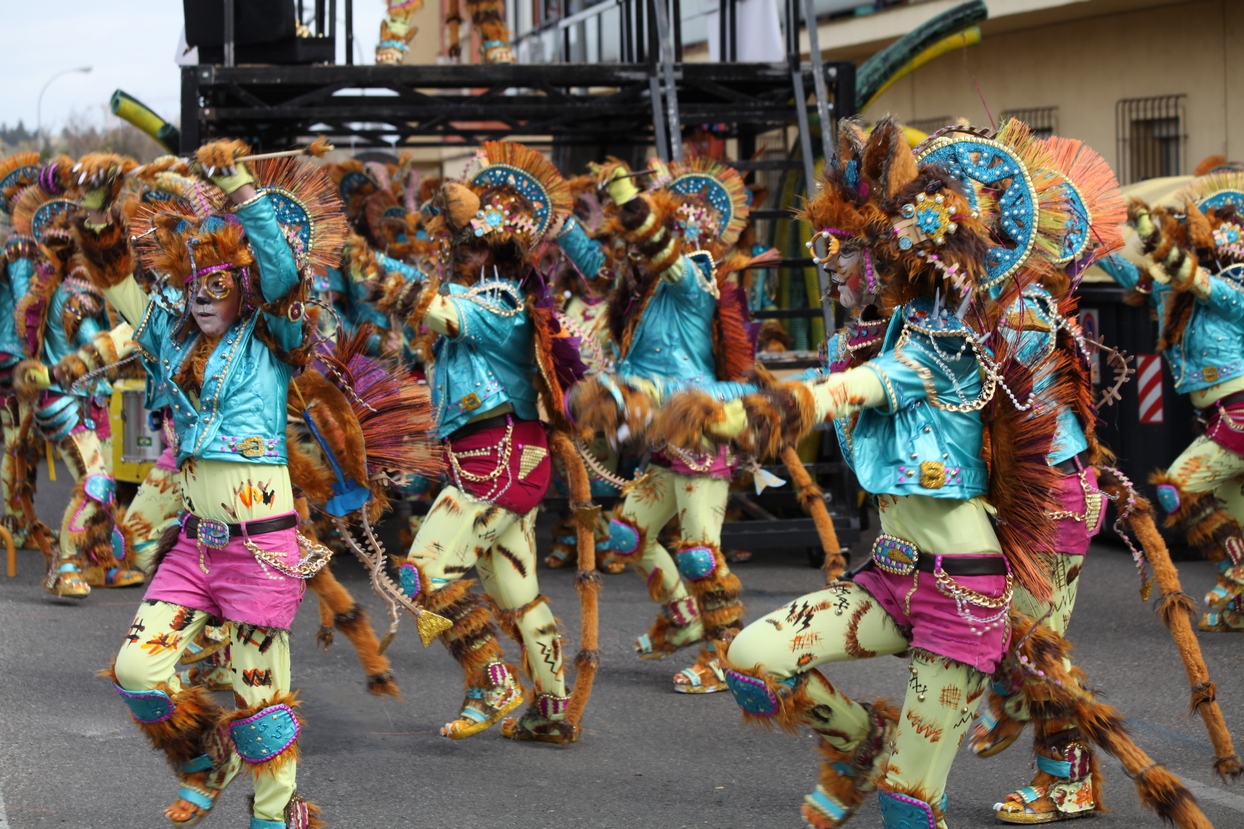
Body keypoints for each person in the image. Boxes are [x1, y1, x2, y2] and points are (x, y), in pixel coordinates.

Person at [72, 139, 347, 828]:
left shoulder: (273, 335)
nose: (200, 297)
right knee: (139, 672)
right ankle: (204, 764)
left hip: (260, 547)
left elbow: (283, 272)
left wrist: (236, 184)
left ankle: (275, 815)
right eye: (193, 284)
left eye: (218, 284)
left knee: (261, 699)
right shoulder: (170, 338)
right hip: (195, 549)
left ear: (245, 286)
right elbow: (118, 284)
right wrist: (101, 210)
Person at [1101, 168, 1244, 632]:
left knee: (1174, 488)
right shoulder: (1175, 287)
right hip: (1213, 417)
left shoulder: (1230, 289)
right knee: (1236, 518)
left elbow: (1190, 276)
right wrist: (1088, 237)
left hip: (1239, 412)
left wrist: (1152, 234)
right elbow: (1139, 273)